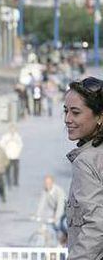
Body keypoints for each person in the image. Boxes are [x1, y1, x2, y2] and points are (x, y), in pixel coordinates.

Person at [64, 76, 103, 259]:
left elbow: (96, 227)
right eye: (65, 111)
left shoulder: (86, 161)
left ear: (100, 116)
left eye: (75, 112)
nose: (67, 119)